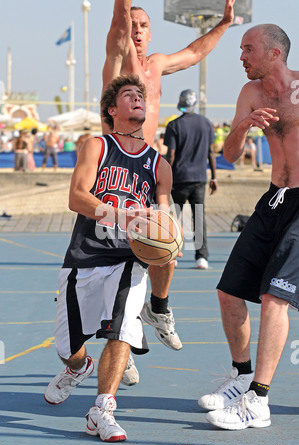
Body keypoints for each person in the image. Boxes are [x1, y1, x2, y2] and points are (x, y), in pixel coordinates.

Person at [101, 0, 235, 364]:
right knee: (116, 264)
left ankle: (157, 307)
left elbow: (193, 52)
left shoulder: (156, 65)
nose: (138, 30)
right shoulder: (117, 59)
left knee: (167, 246)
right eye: (133, 25)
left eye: (144, 24)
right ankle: (119, 345)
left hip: (147, 165)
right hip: (113, 165)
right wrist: (123, 13)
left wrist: (224, 24)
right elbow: (119, 24)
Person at [44, 74, 173, 442]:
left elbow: (164, 219)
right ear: (112, 110)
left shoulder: (159, 166)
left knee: (123, 328)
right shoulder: (97, 146)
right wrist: (123, 215)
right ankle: (77, 367)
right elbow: (77, 198)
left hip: (128, 258)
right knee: (67, 348)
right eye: (128, 95)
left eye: (140, 95)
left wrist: (168, 235)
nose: (137, 99)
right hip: (85, 256)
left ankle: (102, 409)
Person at [198, 24, 299, 431]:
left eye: (248, 49)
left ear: (275, 53)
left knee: (275, 297)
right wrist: (244, 124)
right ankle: (242, 378)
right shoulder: (250, 94)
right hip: (274, 198)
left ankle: (259, 398)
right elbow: (229, 156)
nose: (241, 56)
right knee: (228, 292)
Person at [164, 89, 217, 269]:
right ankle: (201, 257)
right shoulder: (206, 123)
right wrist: (214, 178)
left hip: (178, 178)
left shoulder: (173, 125)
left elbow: (170, 155)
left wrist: (163, 177)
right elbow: (211, 153)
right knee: (199, 218)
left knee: (172, 218)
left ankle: (172, 253)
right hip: (199, 178)